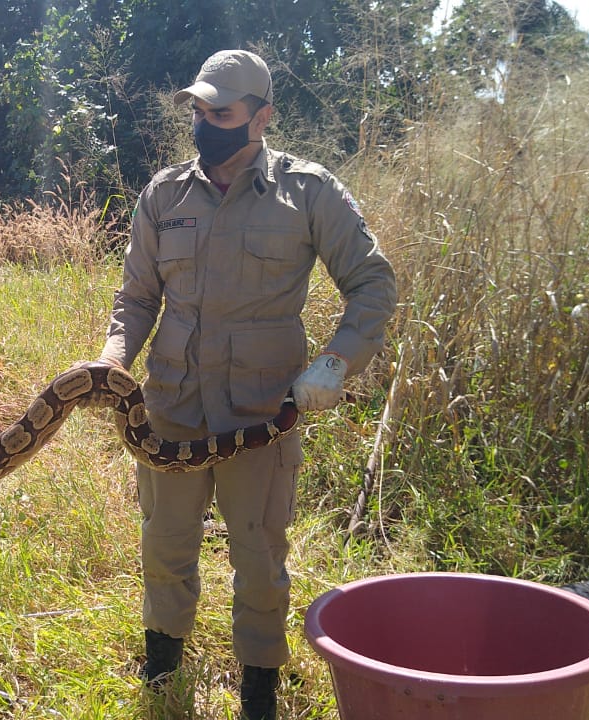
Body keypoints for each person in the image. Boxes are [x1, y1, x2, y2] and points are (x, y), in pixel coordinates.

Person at [94, 50, 396, 719]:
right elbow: (136, 298)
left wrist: (337, 363)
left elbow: (373, 283)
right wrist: (112, 362)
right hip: (170, 404)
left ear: (262, 116)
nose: (205, 123)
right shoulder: (164, 194)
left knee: (259, 555)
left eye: (221, 112)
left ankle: (259, 681)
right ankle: (163, 660)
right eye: (198, 110)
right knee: (164, 544)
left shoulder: (307, 191)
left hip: (260, 413)